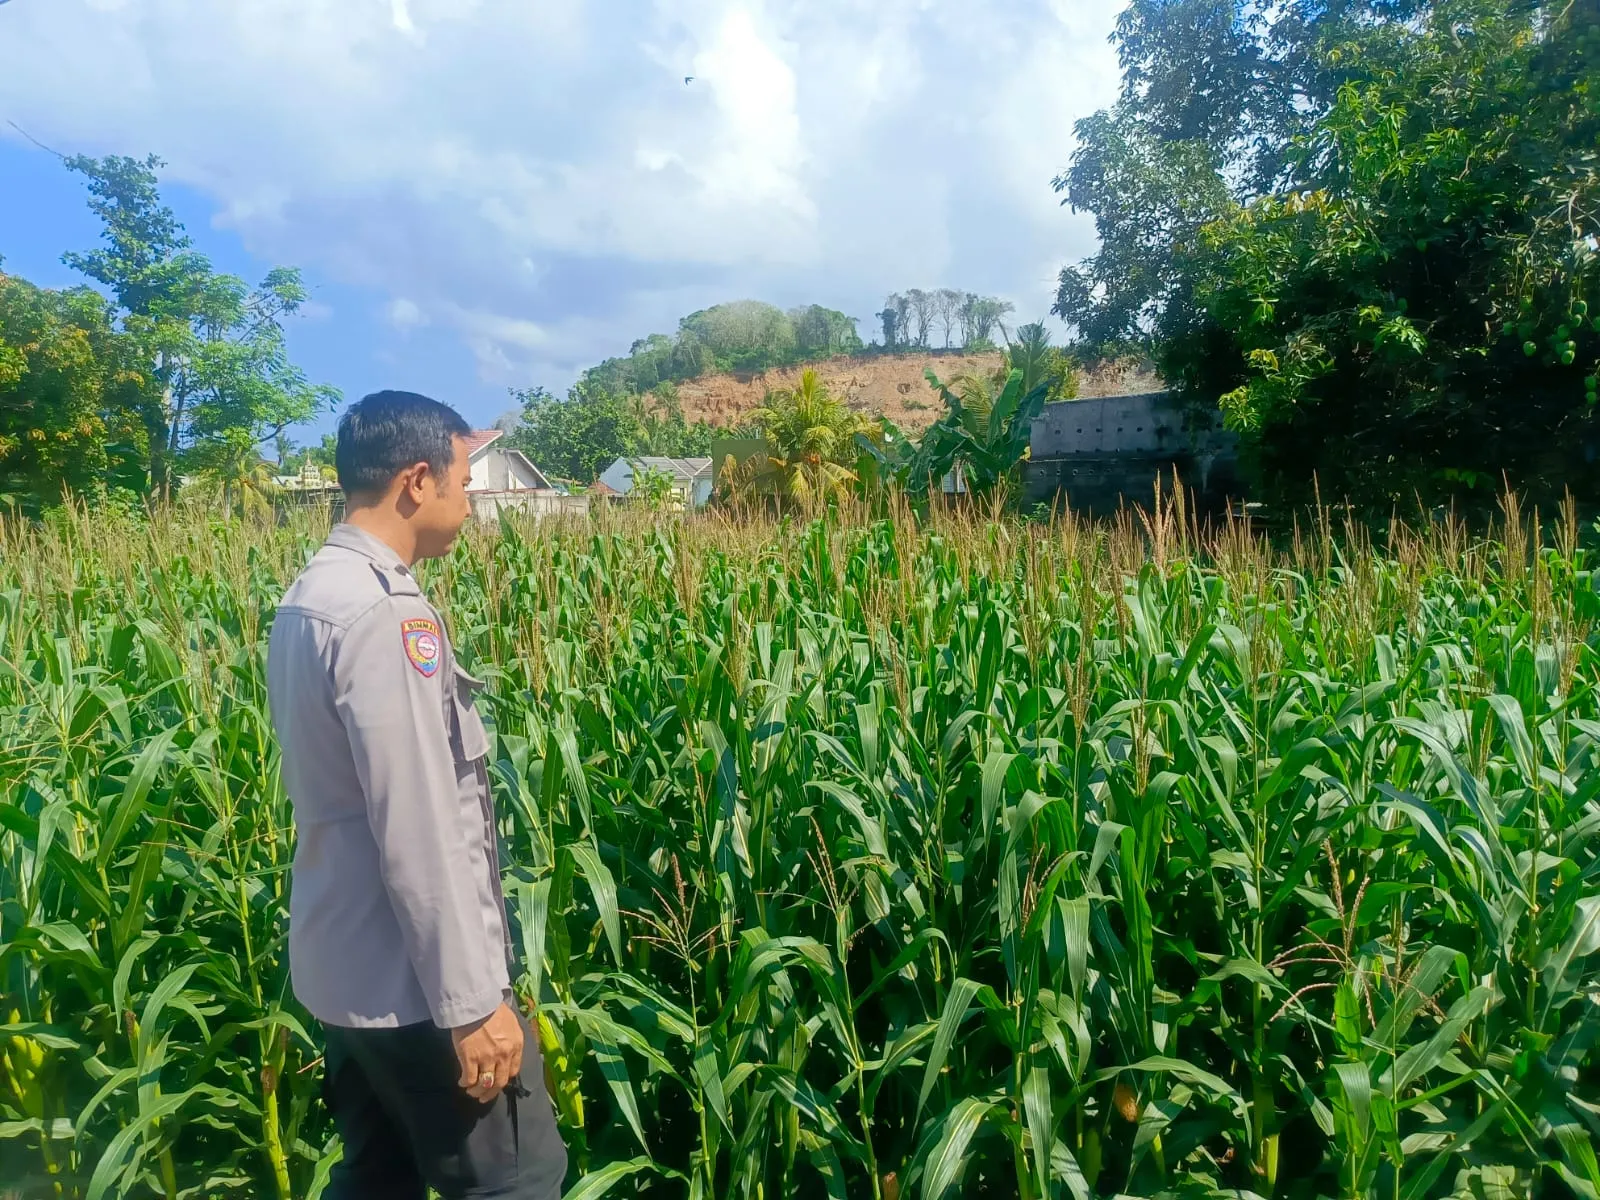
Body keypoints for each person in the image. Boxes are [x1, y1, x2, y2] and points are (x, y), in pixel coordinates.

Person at [266, 390, 567, 1199]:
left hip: (344, 975)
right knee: (519, 1180)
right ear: (415, 481)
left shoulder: (309, 597)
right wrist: (472, 1005)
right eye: (462, 483)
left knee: (379, 1179)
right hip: (416, 994)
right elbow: (420, 825)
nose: (468, 504)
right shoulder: (385, 615)